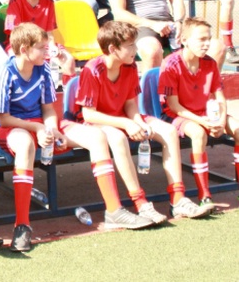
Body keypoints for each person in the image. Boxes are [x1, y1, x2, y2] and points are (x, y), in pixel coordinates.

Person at [0, 24, 153, 251]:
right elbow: (4, 119)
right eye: (42, 48)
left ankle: (114, 210)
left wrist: (51, 129)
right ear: (25, 49)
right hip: (12, 128)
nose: (47, 52)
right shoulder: (4, 72)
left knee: (97, 137)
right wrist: (38, 129)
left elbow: (48, 109)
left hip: (40, 125)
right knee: (26, 144)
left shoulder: (43, 69)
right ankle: (22, 225)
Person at [76, 21, 211, 221]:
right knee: (118, 138)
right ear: (113, 49)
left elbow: (131, 105)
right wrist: (127, 124)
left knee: (169, 131)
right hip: (99, 122)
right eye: (130, 45)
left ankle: (178, 199)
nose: (135, 49)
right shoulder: (92, 69)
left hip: (124, 118)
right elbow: (89, 115)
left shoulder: (130, 66)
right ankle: (141, 203)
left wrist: (138, 121)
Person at [159, 17, 239, 211]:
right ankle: (204, 195)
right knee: (198, 133)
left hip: (205, 114)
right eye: (201, 39)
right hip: (177, 116)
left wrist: (220, 121)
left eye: (208, 39)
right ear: (184, 40)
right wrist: (204, 122)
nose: (207, 44)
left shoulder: (209, 63)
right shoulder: (171, 64)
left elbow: (220, 98)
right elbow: (174, 107)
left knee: (237, 128)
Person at [4, 0, 75, 78]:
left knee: (68, 60)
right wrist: (33, 49)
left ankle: (67, 88)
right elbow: (14, 34)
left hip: (43, 44)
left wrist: (52, 46)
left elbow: (49, 32)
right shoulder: (15, 0)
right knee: (15, 60)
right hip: (21, 45)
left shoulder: (48, 1)